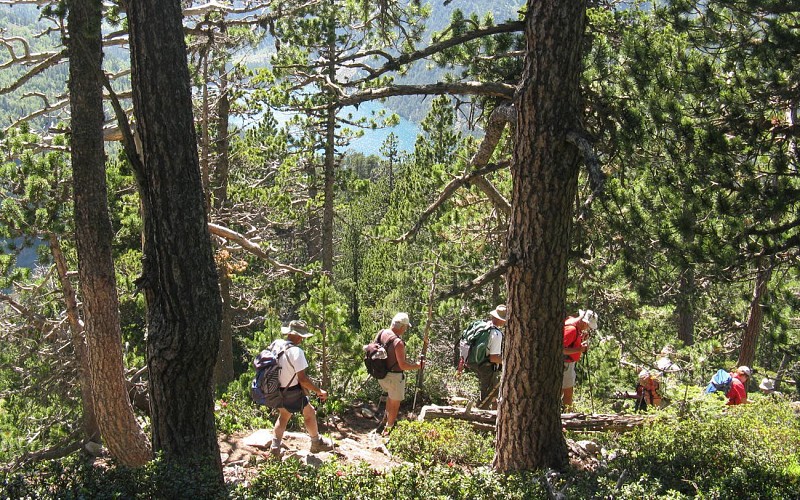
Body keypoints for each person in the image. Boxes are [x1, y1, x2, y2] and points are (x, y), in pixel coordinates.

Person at [269, 319, 334, 458]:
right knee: (309, 412)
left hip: (275, 389)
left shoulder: (276, 344)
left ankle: (275, 447)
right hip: (291, 392)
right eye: (302, 337)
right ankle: (316, 442)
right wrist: (319, 391)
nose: (302, 340)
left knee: (284, 415)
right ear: (298, 336)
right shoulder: (296, 352)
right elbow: (303, 379)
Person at [375, 312, 422, 435]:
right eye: (405, 327)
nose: (405, 330)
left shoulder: (383, 333)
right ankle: (388, 429)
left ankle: (385, 420)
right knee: (395, 403)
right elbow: (402, 365)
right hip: (394, 377)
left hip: (381, 374)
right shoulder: (398, 343)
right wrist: (417, 366)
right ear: (402, 327)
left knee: (390, 398)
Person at [470, 305, 506, 407]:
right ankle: (479, 414)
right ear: (500, 320)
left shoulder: (483, 327)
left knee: (490, 392)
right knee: (487, 395)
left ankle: (489, 412)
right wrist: (507, 362)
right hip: (486, 366)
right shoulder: (496, 334)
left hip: (476, 362)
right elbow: (493, 357)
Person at [562, 308, 599, 410]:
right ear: (584, 322)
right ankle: (567, 415)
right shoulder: (572, 330)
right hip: (565, 365)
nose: (588, 328)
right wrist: (580, 349)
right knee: (568, 394)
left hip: (566, 365)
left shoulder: (573, 324)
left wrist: (581, 340)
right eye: (588, 326)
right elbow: (562, 350)